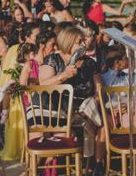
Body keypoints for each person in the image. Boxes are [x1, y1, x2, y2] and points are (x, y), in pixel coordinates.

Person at [38, 26, 104, 160]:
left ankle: (34, 169)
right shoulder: (53, 59)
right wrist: (64, 75)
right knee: (42, 132)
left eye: (84, 41)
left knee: (72, 133)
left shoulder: (90, 63)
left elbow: (99, 91)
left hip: (80, 110)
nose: (84, 45)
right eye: (79, 42)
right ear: (68, 42)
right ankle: (33, 171)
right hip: (52, 106)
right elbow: (43, 85)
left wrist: (86, 110)